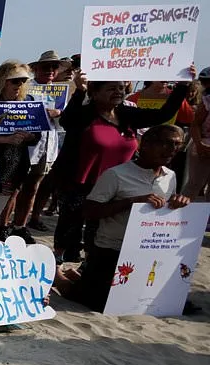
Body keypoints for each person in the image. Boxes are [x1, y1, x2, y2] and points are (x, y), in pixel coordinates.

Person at [51, 67, 193, 263]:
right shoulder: (85, 115)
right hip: (80, 183)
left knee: (99, 233)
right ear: (95, 92)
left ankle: (90, 265)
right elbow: (67, 121)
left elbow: (163, 114)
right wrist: (80, 90)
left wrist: (182, 85)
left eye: (120, 88)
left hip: (118, 185)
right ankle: (59, 261)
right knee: (70, 228)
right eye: (111, 88)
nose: (118, 92)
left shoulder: (127, 114)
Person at [56, 125, 190, 310]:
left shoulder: (170, 176)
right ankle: (59, 278)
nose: (172, 149)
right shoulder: (116, 174)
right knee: (101, 303)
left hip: (147, 250)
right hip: (111, 249)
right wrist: (131, 202)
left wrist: (178, 202)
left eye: (177, 145)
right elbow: (89, 211)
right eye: (165, 143)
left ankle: (80, 276)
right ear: (145, 144)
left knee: (159, 300)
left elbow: (164, 214)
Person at [0, 61, 38, 239]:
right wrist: (5, 139)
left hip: (12, 169)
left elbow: (37, 135)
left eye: (23, 81)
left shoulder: (28, 103)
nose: (19, 84)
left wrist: (29, 136)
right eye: (15, 80)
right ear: (2, 81)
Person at [19, 50, 67, 232]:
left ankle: (23, 224)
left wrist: (59, 112)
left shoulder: (60, 92)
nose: (50, 70)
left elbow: (64, 120)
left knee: (34, 187)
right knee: (16, 188)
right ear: (36, 69)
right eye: (46, 66)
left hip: (48, 144)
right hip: (25, 145)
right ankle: (6, 224)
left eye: (54, 67)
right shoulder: (25, 87)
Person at [181, 67, 210, 200]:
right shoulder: (207, 100)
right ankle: (179, 210)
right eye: (204, 82)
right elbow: (195, 124)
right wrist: (199, 145)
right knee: (194, 184)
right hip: (204, 147)